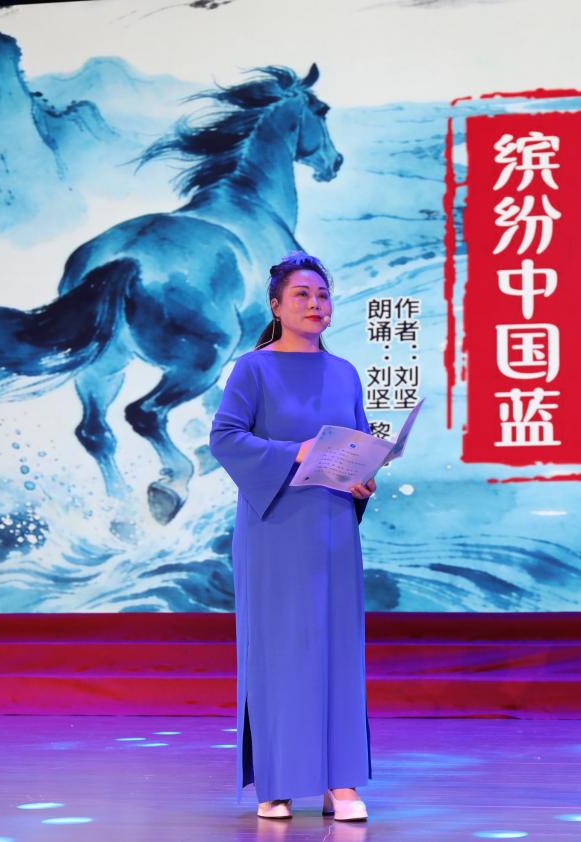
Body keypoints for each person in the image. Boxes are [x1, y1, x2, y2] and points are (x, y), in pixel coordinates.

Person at [209, 251, 375, 822]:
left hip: (332, 526)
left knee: (337, 651)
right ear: (276, 306)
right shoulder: (252, 369)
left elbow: (357, 444)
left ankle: (339, 782)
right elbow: (225, 438)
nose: (315, 303)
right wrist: (294, 452)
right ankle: (276, 782)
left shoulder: (344, 372)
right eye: (302, 294)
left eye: (322, 294)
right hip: (274, 525)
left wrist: (362, 478)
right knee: (279, 650)